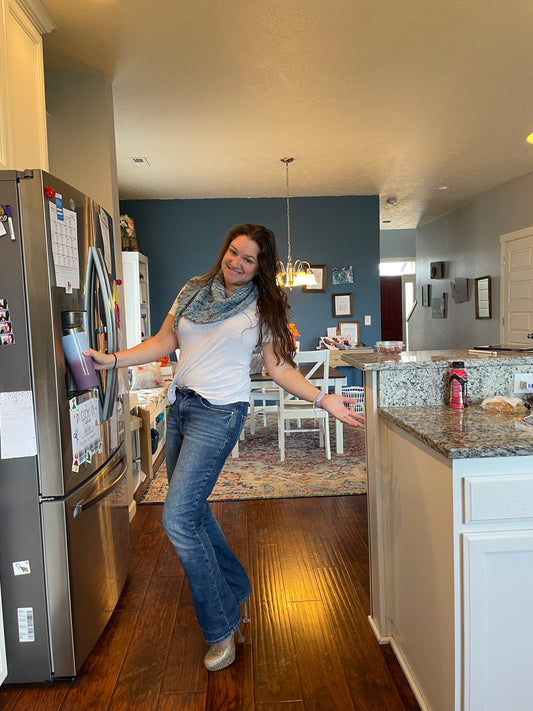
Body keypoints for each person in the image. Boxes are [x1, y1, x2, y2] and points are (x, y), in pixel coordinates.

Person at [85, 223, 364, 672]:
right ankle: (235, 586)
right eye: (234, 252)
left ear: (260, 267)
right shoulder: (194, 290)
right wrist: (112, 361)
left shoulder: (264, 305)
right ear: (226, 250)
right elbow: (164, 342)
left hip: (221, 413)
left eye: (249, 259)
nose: (236, 263)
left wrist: (322, 398)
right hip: (182, 407)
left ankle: (221, 627)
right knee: (192, 512)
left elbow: (277, 367)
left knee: (176, 518)